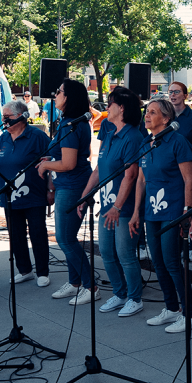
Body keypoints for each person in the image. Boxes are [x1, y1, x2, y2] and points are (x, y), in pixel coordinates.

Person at [130, 97, 192, 332]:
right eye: (146, 112)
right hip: (152, 211)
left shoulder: (178, 142)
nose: (147, 116)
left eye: (152, 112)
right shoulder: (145, 143)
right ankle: (171, 308)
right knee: (157, 261)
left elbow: (190, 179)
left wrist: (187, 212)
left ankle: (191, 313)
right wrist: (137, 212)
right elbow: (141, 180)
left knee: (171, 262)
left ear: (166, 118)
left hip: (172, 210)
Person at [79, 87, 144, 318]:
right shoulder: (109, 133)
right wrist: (85, 195)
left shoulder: (133, 137)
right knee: (106, 251)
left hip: (123, 209)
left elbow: (131, 175)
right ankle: (120, 292)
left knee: (125, 253)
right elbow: (99, 169)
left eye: (110, 103)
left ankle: (135, 298)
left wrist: (118, 206)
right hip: (107, 207)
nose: (106, 108)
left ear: (122, 108)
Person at [36, 79, 97, 305]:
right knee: (68, 237)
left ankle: (91, 286)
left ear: (68, 97)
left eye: (59, 91)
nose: (55, 95)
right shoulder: (69, 122)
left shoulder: (72, 124)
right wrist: (52, 159)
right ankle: (75, 283)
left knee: (64, 239)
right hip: (68, 184)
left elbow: (70, 163)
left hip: (73, 186)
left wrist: (46, 165)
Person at [0, 100, 51, 287]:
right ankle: (24, 269)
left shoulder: (37, 136)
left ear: (21, 116)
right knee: (15, 234)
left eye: (7, 117)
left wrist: (51, 189)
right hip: (9, 197)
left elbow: (51, 161)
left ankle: (42, 271)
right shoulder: (3, 138)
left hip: (33, 194)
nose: (3, 120)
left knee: (37, 233)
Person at [167, 81, 192, 148]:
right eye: (170, 92)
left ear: (185, 96)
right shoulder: (165, 116)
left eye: (176, 92)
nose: (172, 94)